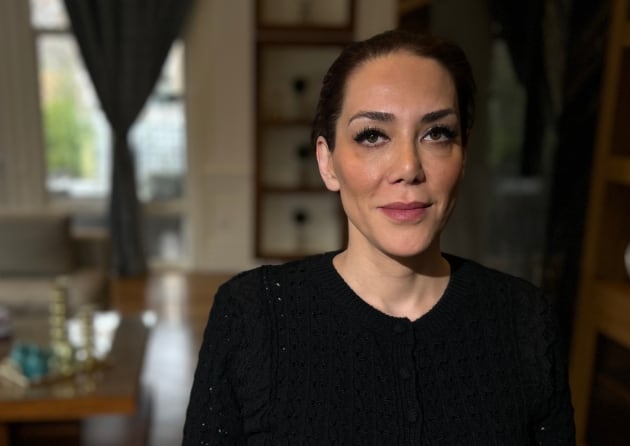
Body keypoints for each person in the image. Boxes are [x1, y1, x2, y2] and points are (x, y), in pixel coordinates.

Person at [183, 29, 575, 445]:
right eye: (372, 135)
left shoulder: (524, 319)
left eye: (437, 133)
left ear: (463, 156)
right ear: (328, 162)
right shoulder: (252, 315)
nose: (408, 166)